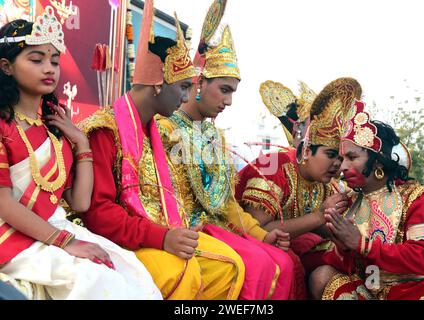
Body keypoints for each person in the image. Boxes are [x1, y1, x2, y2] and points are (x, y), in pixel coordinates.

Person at [80, 0, 244, 300]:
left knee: (231, 266)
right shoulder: (105, 130)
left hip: (156, 231)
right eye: (182, 87)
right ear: (158, 84)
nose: (185, 98)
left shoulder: (158, 132)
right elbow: (99, 214)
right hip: (119, 239)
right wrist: (162, 237)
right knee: (183, 271)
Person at [0, 7, 161, 300]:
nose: (49, 68)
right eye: (36, 60)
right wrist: (65, 242)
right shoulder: (2, 125)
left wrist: (80, 143)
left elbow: (80, 202)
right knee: (96, 282)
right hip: (12, 235)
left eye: (54, 60)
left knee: (131, 272)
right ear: (6, 67)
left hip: (55, 228)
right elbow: (3, 204)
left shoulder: (55, 128)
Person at [157, 0, 295, 300]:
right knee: (256, 264)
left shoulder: (214, 137)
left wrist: (262, 234)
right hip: (185, 232)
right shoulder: (164, 129)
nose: (229, 102)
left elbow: (227, 203)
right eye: (224, 90)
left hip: (219, 228)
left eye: (232, 92)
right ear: (198, 83)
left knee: (284, 262)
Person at [315, 100, 424, 300]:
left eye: (352, 157)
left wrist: (361, 244)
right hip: (373, 290)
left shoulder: (417, 197)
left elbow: (421, 259)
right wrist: (343, 248)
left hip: (418, 290)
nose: (342, 167)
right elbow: (353, 267)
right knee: (321, 275)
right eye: (343, 159)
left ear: (377, 160)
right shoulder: (351, 203)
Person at [236, 78, 360, 284]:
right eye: (330, 154)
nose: (338, 165)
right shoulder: (273, 167)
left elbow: (324, 232)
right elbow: (257, 231)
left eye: (341, 158)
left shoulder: (326, 184)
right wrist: (319, 216)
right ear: (306, 150)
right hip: (249, 247)